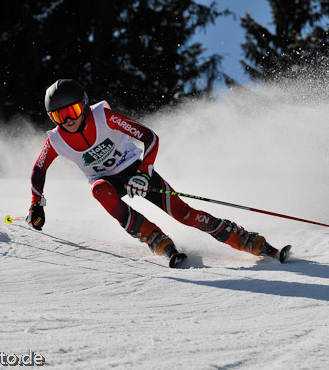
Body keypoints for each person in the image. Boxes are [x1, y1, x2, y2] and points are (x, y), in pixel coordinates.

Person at [27, 79, 287, 268]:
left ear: (82, 106)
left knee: (184, 214)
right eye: (59, 116)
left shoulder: (103, 116)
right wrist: (36, 205)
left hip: (134, 169)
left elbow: (149, 136)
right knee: (99, 191)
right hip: (106, 181)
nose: (68, 121)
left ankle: (247, 240)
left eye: (71, 112)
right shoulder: (56, 140)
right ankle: (154, 238)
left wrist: (143, 171)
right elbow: (39, 170)